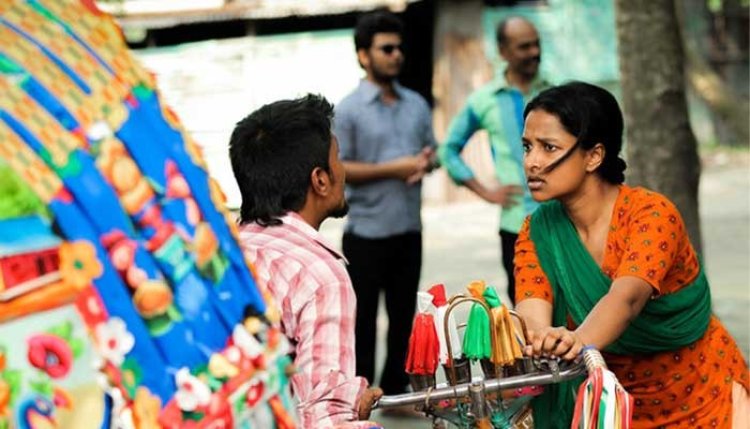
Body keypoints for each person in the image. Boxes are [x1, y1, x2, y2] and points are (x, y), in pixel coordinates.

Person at [514, 82, 749, 428]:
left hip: (700, 395)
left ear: (594, 155)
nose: (532, 162)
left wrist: (576, 341)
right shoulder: (537, 230)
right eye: (527, 146)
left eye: (549, 148)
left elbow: (626, 300)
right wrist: (541, 338)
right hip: (613, 408)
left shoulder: (651, 214)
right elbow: (532, 313)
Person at [229, 94, 383, 428]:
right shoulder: (320, 276)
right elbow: (325, 418)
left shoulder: (225, 253)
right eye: (338, 158)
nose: (343, 170)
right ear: (320, 180)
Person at [334, 10, 438, 396]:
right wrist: (394, 168)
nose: (396, 55)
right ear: (364, 55)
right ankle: (358, 395)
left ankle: (395, 391)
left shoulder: (416, 104)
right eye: (386, 48)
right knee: (361, 320)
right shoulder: (347, 110)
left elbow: (434, 152)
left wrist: (425, 162)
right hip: (366, 232)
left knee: (403, 318)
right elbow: (338, 169)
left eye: (399, 48)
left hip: (408, 228)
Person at [438, 16, 549, 306]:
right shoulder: (484, 101)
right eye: (524, 47)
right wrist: (486, 192)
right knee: (527, 313)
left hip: (565, 220)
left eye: (536, 44)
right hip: (516, 227)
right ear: (503, 52)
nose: (534, 52)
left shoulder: (556, 92)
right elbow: (448, 150)